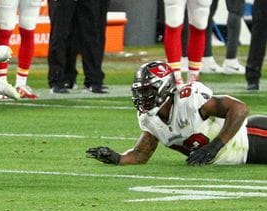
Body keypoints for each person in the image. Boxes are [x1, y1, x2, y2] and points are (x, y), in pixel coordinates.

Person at [87, 61, 267, 166]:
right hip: (240, 156)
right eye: (140, 91)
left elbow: (239, 109)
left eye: (147, 91)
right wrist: (117, 158)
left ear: (164, 87)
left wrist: (215, 146)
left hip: (252, 138)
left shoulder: (189, 99)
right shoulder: (149, 118)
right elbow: (141, 154)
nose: (142, 97)